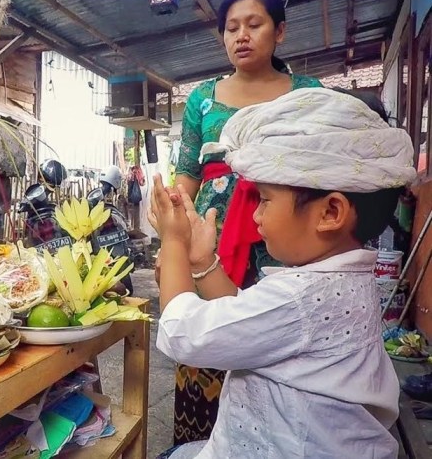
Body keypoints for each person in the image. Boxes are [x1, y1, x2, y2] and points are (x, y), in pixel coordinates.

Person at [150, 87, 416, 458]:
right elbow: (248, 316)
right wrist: (201, 262)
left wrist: (173, 242)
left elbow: (183, 334)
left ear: (331, 213)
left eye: (265, 198)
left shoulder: (303, 297)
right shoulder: (341, 282)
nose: (255, 214)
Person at [164, 0, 322, 445]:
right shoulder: (202, 98)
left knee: (272, 347)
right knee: (205, 336)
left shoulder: (308, 93)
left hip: (282, 239)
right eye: (232, 28)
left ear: (281, 31)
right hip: (211, 236)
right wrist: (174, 240)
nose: (242, 36)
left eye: (254, 24)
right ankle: (200, 443)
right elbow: (188, 172)